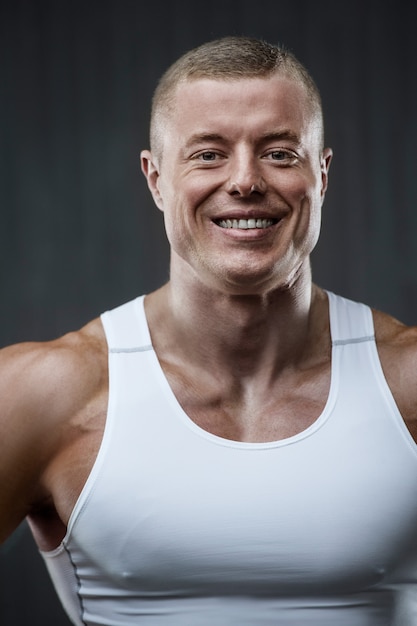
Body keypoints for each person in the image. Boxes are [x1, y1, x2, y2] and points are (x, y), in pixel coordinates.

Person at [1, 35, 417, 626]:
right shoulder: (45, 393)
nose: (245, 180)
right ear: (156, 180)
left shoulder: (407, 382)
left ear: (321, 176)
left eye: (279, 153)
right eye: (208, 154)